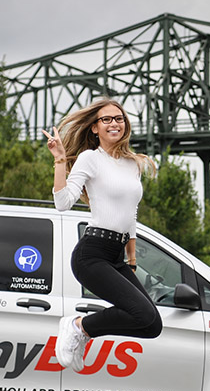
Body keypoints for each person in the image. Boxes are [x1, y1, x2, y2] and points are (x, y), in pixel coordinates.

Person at [43, 99, 160, 371]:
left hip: (117, 255)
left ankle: (84, 331)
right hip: (92, 254)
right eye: (106, 119)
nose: (114, 123)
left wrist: (131, 259)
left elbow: (131, 215)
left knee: (152, 324)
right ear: (95, 128)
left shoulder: (132, 164)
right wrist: (60, 159)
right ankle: (78, 326)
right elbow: (63, 202)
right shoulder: (90, 159)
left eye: (119, 118)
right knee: (140, 312)